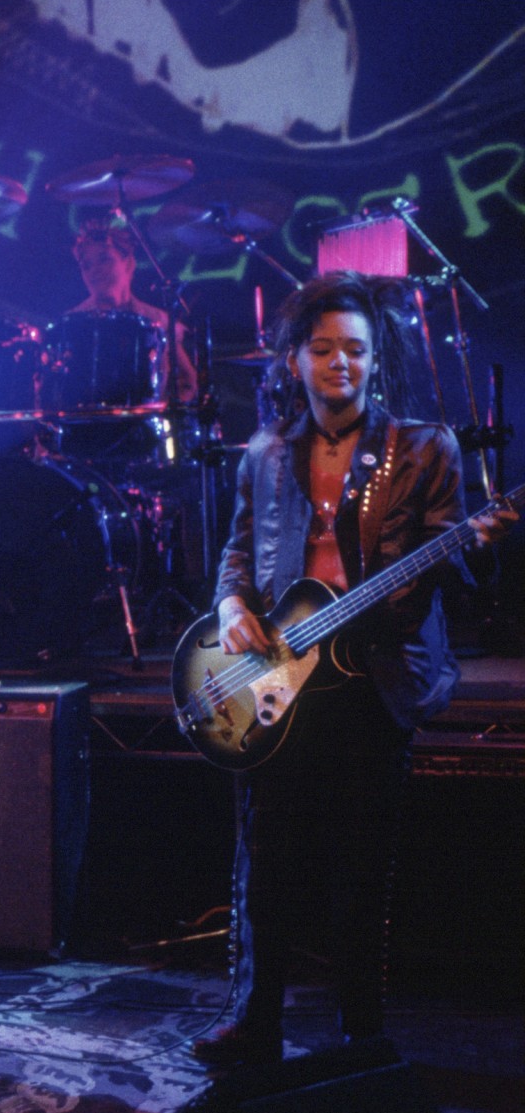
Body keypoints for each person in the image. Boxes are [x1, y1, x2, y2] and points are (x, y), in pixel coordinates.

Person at [193, 272, 513, 1068]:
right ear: (295, 359)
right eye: (325, 348)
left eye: (357, 350)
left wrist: (471, 548)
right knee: (264, 861)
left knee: (361, 868)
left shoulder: (425, 446)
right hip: (277, 675)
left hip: (374, 677)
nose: (341, 362)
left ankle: (360, 1034)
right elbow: (238, 551)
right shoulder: (266, 452)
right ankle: (254, 1020)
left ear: (375, 360)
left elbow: (455, 567)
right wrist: (230, 608)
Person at [64, 219, 199, 405]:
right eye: (86, 266)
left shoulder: (158, 320)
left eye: (104, 259)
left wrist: (164, 412)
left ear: (128, 264)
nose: (95, 270)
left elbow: (188, 381)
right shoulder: (71, 323)